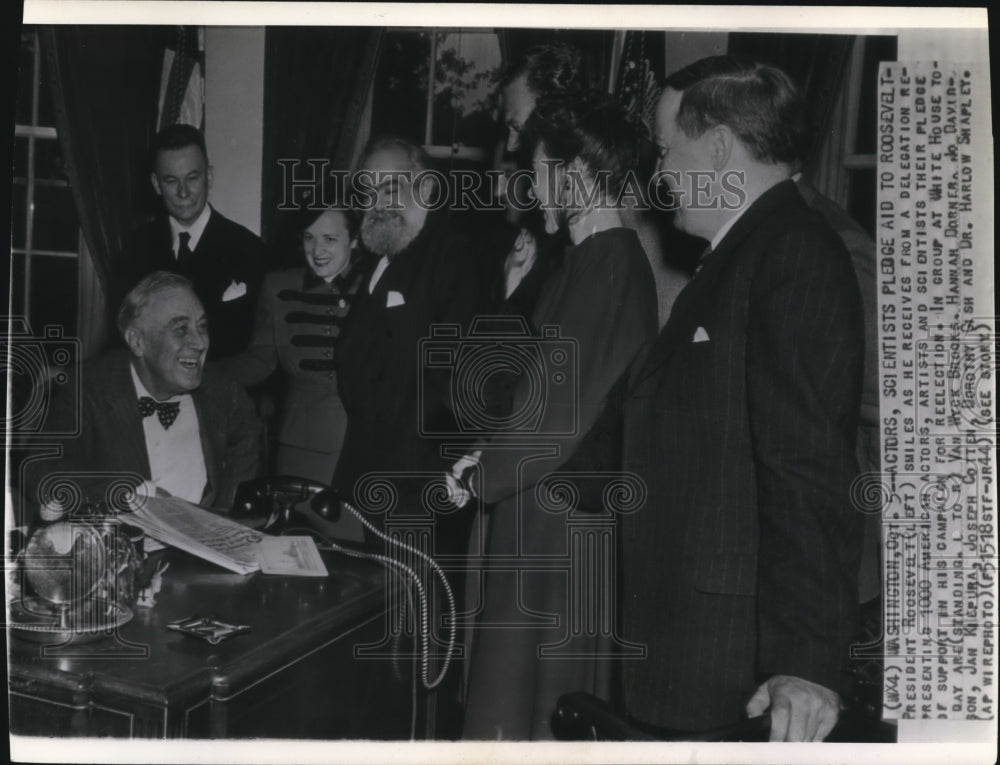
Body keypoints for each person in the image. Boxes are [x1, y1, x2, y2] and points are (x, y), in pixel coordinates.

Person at [618, 56, 865, 741]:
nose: (661, 173)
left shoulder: (793, 253)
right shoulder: (743, 253)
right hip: (689, 638)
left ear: (719, 147)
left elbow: (809, 471)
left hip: (729, 660)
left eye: (667, 150)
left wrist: (804, 665)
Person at [457, 92, 658, 740]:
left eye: (541, 170)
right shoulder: (585, 261)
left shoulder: (610, 264)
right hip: (535, 510)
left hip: (554, 527)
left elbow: (550, 414)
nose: (531, 185)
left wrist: (477, 474)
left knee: (529, 707)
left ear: (573, 174)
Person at [25, 272, 263, 514]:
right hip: (121, 546)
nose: (200, 343)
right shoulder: (89, 388)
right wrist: (132, 493)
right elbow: (40, 472)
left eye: (202, 327)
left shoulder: (225, 394)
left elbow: (239, 488)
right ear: (137, 341)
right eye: (181, 329)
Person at [219, 207, 368, 487]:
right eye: (309, 238)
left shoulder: (375, 285)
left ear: (354, 239)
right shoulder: (278, 285)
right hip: (302, 440)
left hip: (363, 437)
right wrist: (203, 373)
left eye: (330, 239)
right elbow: (260, 361)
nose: (317, 250)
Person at [117, 124, 268, 359]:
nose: (183, 192)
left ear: (209, 176)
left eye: (192, 178)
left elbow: (260, 354)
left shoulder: (251, 250)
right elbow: (124, 337)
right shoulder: (137, 247)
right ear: (156, 184)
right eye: (171, 181)